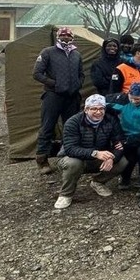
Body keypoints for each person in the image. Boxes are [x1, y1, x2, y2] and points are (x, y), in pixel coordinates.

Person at [53, 94, 127, 210]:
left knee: (122, 162)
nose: (98, 112)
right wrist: (95, 153)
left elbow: (119, 143)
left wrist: (112, 157)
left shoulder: (111, 120)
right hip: (72, 158)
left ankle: (98, 182)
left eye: (101, 108)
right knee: (73, 163)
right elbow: (70, 148)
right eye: (94, 109)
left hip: (97, 158)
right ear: (86, 109)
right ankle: (66, 194)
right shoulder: (73, 122)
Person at [33, 26, 85, 174]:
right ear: (58, 37)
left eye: (68, 36)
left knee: (71, 127)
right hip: (53, 95)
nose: (65, 38)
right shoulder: (47, 52)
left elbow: (81, 73)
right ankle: (42, 160)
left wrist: (78, 84)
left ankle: (67, 157)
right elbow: (37, 73)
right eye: (63, 36)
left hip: (72, 96)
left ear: (72, 38)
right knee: (47, 127)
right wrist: (54, 84)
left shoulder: (76, 54)